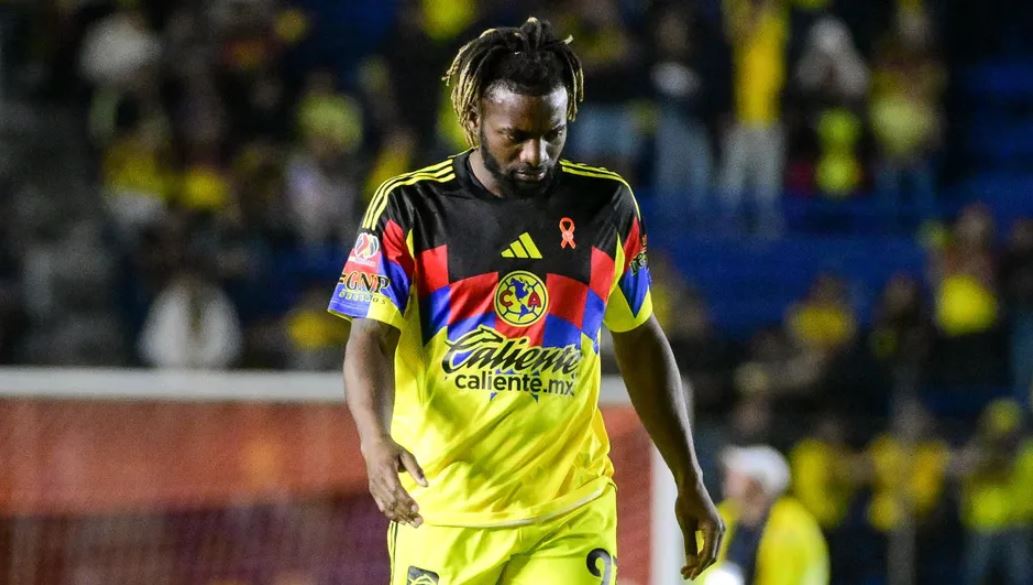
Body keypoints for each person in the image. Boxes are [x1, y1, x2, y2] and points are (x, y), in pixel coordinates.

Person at [328, 17, 722, 585]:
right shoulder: (412, 206)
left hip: (569, 512)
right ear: (473, 119)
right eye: (515, 136)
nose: (536, 154)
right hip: (444, 514)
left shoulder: (606, 205)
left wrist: (688, 478)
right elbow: (370, 336)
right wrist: (374, 440)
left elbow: (639, 337)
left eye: (553, 134)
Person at [699, 445, 829, 585]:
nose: (728, 479)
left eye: (736, 476)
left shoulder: (795, 524)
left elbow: (812, 573)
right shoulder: (722, 516)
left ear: (757, 483)